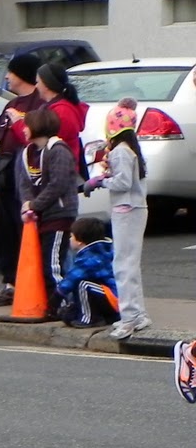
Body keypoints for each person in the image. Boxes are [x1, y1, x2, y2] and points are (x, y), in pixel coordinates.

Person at [0, 53, 42, 308]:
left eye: (11, 72)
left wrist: (20, 121)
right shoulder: (11, 103)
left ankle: (28, 283)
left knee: (22, 228)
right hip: (4, 175)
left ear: (23, 74)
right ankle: (9, 283)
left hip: (25, 173)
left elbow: (33, 137)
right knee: (3, 231)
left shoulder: (38, 103)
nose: (6, 77)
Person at [83, 102, 150, 339]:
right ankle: (138, 314)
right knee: (130, 264)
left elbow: (123, 183)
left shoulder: (121, 151)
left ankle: (129, 317)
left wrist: (100, 181)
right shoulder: (130, 149)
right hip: (134, 209)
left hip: (126, 210)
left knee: (123, 265)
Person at [17, 105, 81, 315]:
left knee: (52, 263)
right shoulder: (27, 153)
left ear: (38, 126)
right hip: (41, 215)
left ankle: (60, 305)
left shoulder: (59, 151)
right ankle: (53, 302)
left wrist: (35, 205)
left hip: (59, 214)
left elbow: (58, 184)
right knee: (47, 260)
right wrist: (27, 204)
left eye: (26, 125)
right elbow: (24, 183)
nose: (23, 129)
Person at [53, 216, 117, 329]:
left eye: (71, 236)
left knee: (83, 284)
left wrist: (56, 297)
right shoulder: (99, 250)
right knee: (68, 314)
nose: (69, 239)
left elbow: (72, 278)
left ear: (79, 241)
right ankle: (100, 316)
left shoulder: (91, 257)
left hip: (114, 300)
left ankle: (90, 319)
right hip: (108, 299)